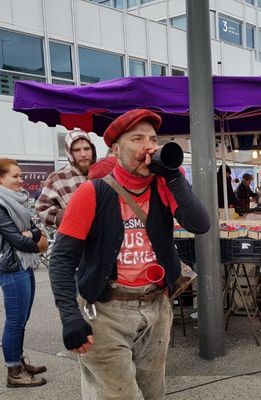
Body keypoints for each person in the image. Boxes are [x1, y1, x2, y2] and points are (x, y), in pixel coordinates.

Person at [48, 109, 210, 399]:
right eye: (137, 139)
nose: (148, 146)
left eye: (152, 138)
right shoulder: (92, 193)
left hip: (156, 307)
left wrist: (173, 176)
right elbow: (61, 259)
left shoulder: (163, 185)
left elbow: (200, 223)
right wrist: (69, 316)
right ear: (115, 149)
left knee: (152, 392)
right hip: (106, 311)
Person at [0, 158, 48, 388]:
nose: (21, 180)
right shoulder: (1, 204)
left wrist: (33, 234)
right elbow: (19, 241)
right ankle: (13, 372)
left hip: (25, 265)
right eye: (15, 176)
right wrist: (32, 237)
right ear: (1, 179)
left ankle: (18, 361)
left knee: (22, 318)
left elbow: (36, 229)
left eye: (21, 175)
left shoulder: (19, 202)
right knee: (15, 321)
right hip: (12, 267)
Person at [36, 130, 97, 229]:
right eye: (77, 150)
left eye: (86, 148)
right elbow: (42, 208)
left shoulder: (103, 172)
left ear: (93, 150)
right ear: (69, 153)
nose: (83, 154)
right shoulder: (57, 178)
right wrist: (65, 216)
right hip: (75, 237)